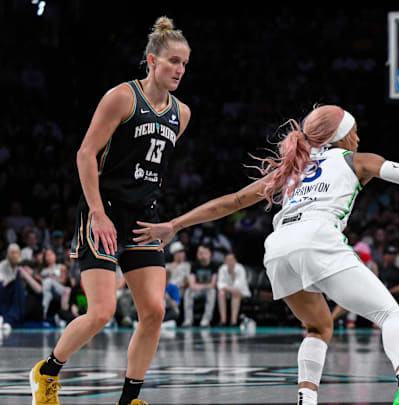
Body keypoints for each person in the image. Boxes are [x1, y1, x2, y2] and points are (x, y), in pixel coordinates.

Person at [132, 104, 399, 405]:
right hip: (316, 237)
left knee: (318, 326)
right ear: (342, 135)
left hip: (277, 247)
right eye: (354, 130)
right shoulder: (356, 159)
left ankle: (305, 401)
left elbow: (233, 201)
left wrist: (176, 224)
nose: (358, 136)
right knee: (392, 315)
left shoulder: (291, 169)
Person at [29, 16, 191, 405]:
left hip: (144, 218)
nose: (180, 70)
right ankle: (47, 372)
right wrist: (97, 212)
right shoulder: (122, 97)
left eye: (184, 64)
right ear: (151, 60)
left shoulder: (181, 114)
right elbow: (85, 154)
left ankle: (129, 398)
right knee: (100, 312)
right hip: (104, 211)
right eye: (173, 61)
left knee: (153, 311)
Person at [183, 244, 218, 327]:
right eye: (200, 253)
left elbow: (213, 284)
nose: (202, 255)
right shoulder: (194, 265)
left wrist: (201, 286)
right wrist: (201, 286)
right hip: (197, 291)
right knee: (188, 291)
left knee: (212, 291)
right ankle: (188, 319)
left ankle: (206, 320)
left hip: (207, 291)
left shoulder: (214, 266)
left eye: (204, 253)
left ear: (210, 254)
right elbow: (191, 284)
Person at [216, 252, 251, 327]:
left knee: (235, 294)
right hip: (228, 292)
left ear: (235, 260)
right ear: (225, 261)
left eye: (231, 259)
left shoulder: (240, 268)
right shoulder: (222, 268)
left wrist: (232, 275)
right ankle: (223, 320)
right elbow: (220, 284)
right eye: (228, 260)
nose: (230, 262)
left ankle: (233, 321)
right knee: (221, 293)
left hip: (241, 292)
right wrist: (229, 289)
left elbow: (239, 285)